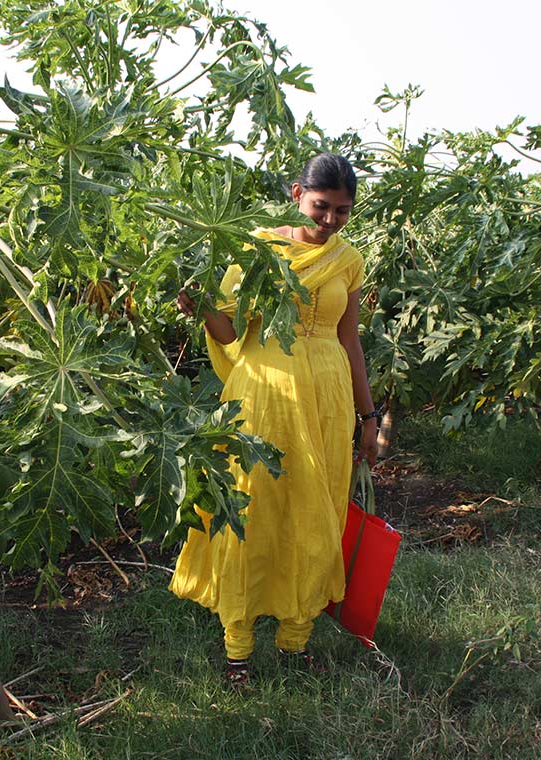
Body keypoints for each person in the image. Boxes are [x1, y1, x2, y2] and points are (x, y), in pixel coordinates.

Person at [170, 153, 378, 687]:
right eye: (321, 206)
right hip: (263, 395)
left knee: (313, 511)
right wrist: (196, 306)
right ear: (296, 194)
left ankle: (294, 640)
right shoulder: (257, 247)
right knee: (253, 509)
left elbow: (348, 338)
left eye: (343, 211)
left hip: (326, 402)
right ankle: (237, 647)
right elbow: (228, 331)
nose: (330, 220)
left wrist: (368, 414)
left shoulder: (348, 260)